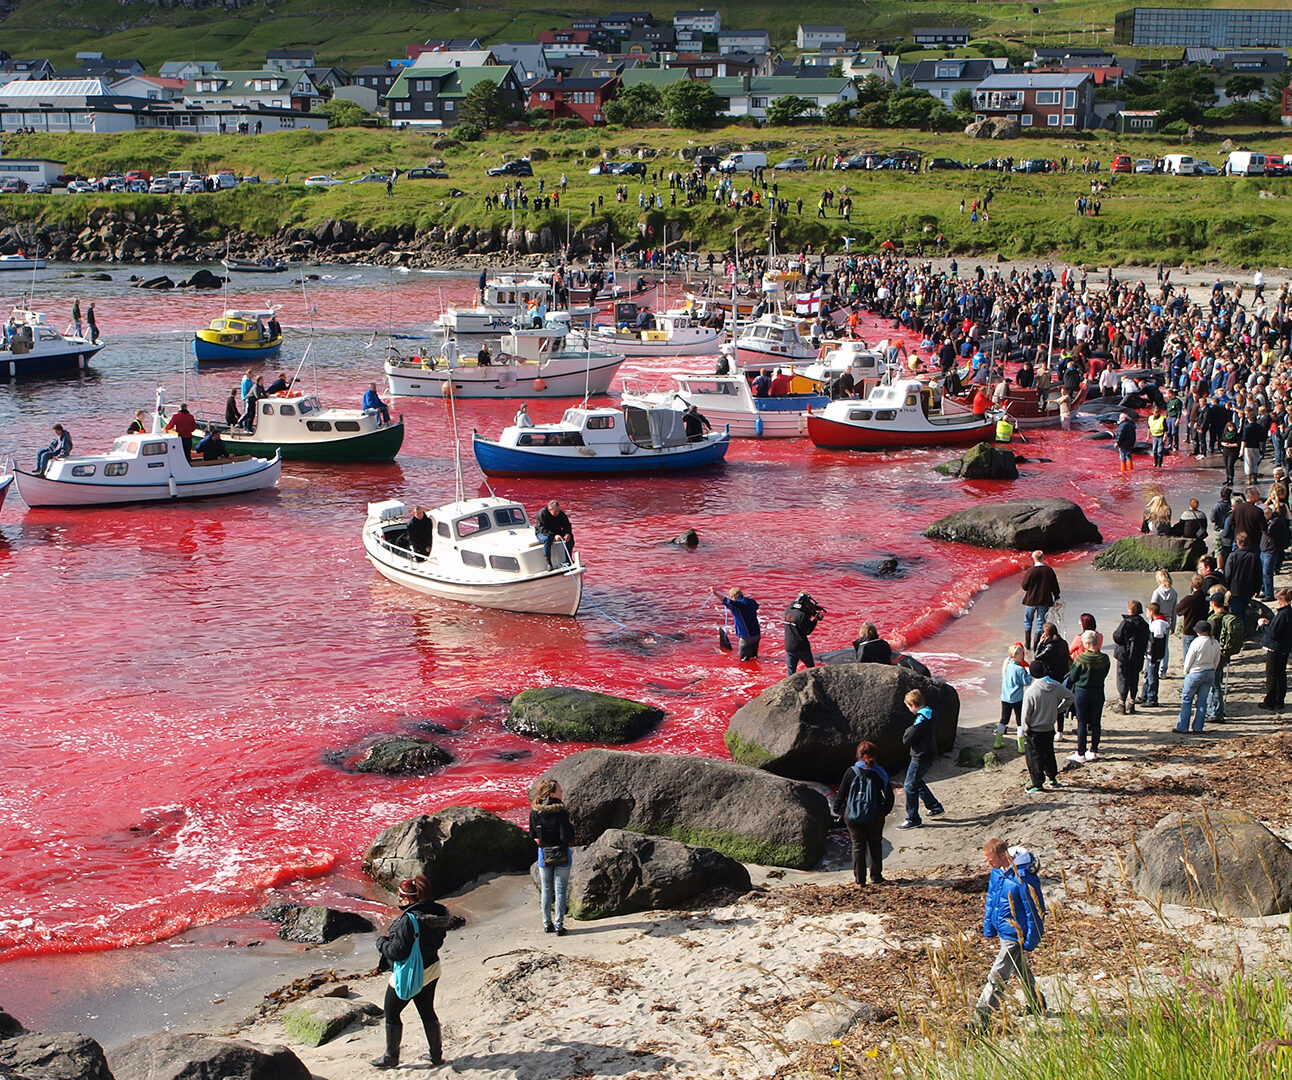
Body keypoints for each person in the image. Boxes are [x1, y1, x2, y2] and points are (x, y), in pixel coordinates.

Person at [372, 874, 463, 1069]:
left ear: (409, 898)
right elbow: (436, 940)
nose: (399, 900)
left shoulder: (408, 920)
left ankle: (391, 1057)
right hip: (431, 968)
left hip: (410, 972)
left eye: (401, 896)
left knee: (391, 1011)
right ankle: (436, 1056)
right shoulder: (438, 913)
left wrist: (381, 943)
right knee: (427, 1011)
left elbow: (397, 952)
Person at [973, 839, 1046, 1028]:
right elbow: (992, 900)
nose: (988, 863)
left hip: (1015, 935)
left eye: (990, 859)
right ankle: (1037, 1003)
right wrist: (989, 926)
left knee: (997, 977)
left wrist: (1031, 940)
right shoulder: (997, 872)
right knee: (1020, 969)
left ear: (1003, 856)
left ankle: (981, 1020)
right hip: (1004, 930)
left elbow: (1035, 911)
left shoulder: (1024, 879)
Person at [831, 740, 893, 885]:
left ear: (858, 755)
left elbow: (840, 795)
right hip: (875, 814)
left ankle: (860, 880)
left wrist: (840, 811)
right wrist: (883, 812)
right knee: (875, 845)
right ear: (875, 755)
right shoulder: (880, 772)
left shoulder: (850, 771)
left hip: (853, 816)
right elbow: (889, 797)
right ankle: (876, 877)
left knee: (858, 846)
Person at [528, 778, 574, 935]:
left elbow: (533, 834)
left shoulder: (535, 812)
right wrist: (571, 827)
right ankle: (559, 925)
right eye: (560, 790)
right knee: (560, 889)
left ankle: (547, 924)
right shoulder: (561, 812)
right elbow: (565, 838)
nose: (562, 792)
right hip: (562, 852)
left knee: (546, 889)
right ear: (552, 793)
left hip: (544, 853)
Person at [897, 688, 944, 829]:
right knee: (916, 781)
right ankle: (935, 807)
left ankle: (913, 818)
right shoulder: (930, 713)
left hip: (921, 755)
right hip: (929, 752)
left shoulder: (922, 720)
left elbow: (908, 737)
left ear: (913, 705)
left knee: (909, 786)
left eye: (908, 706)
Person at [1020, 667, 1072, 792]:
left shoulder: (1031, 691)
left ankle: (1038, 784)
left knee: (1034, 757)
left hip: (1034, 730)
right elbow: (1071, 697)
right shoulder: (1056, 685)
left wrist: (1025, 729)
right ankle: (1052, 779)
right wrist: (1058, 710)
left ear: (1032, 674)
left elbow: (1025, 714)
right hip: (1049, 728)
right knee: (1049, 753)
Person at [1069, 629, 1110, 764]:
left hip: (1082, 692)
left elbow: (1073, 677)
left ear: (1086, 644)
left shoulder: (1081, 659)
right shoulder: (1104, 658)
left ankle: (1081, 752)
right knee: (1096, 722)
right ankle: (1093, 750)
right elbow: (1105, 673)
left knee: (1082, 723)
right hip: (1098, 691)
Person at [1175, 622, 1219, 734]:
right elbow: (1217, 659)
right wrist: (1213, 669)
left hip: (1196, 672)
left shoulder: (1197, 642)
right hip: (1209, 672)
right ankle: (1198, 727)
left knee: (1187, 700)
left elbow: (1189, 658)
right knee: (1202, 701)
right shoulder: (1214, 642)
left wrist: (1186, 671)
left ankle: (1182, 727)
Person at [1112, 599, 1150, 714]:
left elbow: (1117, 637)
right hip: (1138, 654)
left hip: (1124, 654)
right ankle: (1131, 703)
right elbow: (1147, 639)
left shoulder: (1126, 622)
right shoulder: (1144, 624)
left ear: (1130, 610)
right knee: (1134, 678)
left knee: (1122, 678)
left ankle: (1122, 704)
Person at [1020, 550, 1061, 651]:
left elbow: (1024, 586)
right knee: (1040, 622)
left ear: (1034, 558)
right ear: (1043, 558)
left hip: (1031, 600)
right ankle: (1036, 646)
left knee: (1028, 621)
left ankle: (1027, 645)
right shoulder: (1049, 570)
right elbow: (1055, 586)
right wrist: (1056, 597)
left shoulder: (1030, 571)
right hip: (1044, 600)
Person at [995, 643, 1032, 751]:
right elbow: (1026, 682)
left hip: (1005, 697)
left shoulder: (1006, 666)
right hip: (1017, 698)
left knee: (1004, 719)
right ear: (1015, 655)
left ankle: (998, 741)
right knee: (1020, 721)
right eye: (1021, 655)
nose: (1022, 656)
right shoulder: (1019, 669)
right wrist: (1029, 672)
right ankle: (1021, 746)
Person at [783, 592, 824, 675]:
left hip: (789, 646)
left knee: (791, 672)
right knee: (811, 669)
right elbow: (808, 631)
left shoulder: (788, 610)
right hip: (802, 647)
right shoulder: (803, 615)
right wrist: (815, 619)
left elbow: (796, 607)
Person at [716, 586, 760, 661]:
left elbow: (725, 600)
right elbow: (756, 606)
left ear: (734, 597)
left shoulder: (737, 605)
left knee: (744, 662)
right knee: (754, 658)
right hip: (756, 634)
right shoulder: (752, 601)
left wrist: (714, 592)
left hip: (746, 637)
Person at [1140, 601, 1170, 707]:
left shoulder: (1159, 624)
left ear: (1152, 611)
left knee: (1152, 676)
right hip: (1151, 655)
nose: (1147, 613)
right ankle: (1145, 695)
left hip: (1154, 655)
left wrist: (1152, 656)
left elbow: (1156, 642)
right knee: (1148, 675)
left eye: (1148, 611)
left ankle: (1152, 698)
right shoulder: (1157, 622)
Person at [536, 500, 574, 568]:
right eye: (556, 511)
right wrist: (553, 536)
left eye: (558, 510)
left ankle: (568, 558)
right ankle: (548, 562)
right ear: (550, 510)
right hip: (543, 532)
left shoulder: (560, 514)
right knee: (547, 540)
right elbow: (542, 529)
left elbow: (567, 525)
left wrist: (567, 533)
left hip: (556, 531)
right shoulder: (542, 514)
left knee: (570, 537)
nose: (557, 513)